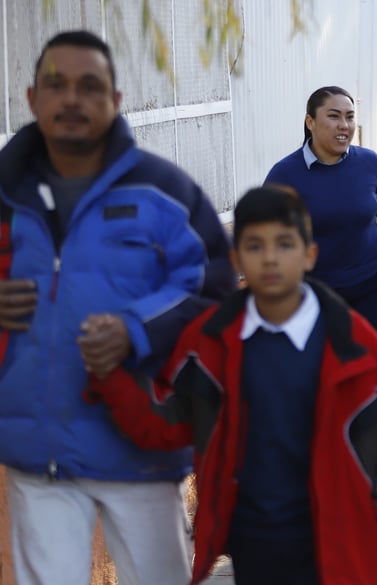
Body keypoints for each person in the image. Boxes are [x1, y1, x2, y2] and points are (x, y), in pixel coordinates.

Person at [87, 185, 377, 585]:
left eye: (284, 244)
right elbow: (165, 424)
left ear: (309, 254)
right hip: (254, 543)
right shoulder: (209, 344)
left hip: (338, 545)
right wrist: (111, 377)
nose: (270, 258)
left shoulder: (354, 346)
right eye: (255, 246)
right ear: (237, 259)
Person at [0, 30, 235, 585]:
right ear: (32, 98)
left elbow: (215, 289)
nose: (73, 100)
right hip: (38, 456)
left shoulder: (164, 191)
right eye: (58, 85)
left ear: (116, 101)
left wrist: (137, 330)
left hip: (141, 448)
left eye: (91, 86)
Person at [264, 86, 377, 344]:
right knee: (324, 380)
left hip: (371, 291)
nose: (344, 125)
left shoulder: (371, 164)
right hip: (311, 298)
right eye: (334, 116)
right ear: (310, 122)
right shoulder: (284, 175)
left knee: (372, 375)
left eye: (350, 117)